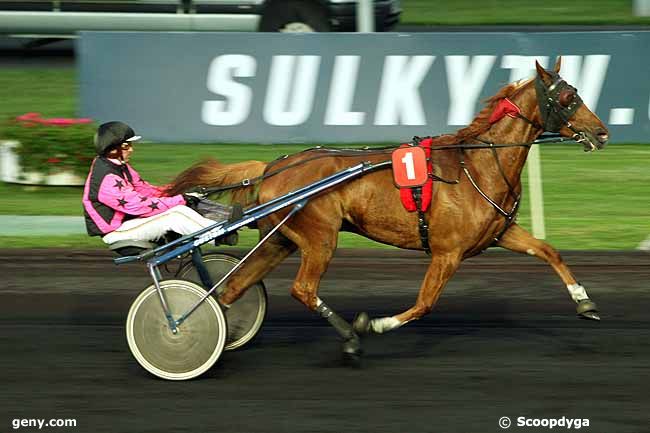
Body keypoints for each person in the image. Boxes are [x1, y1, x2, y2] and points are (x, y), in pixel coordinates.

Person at [82, 121, 235, 245]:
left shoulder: (120, 167)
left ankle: (220, 227)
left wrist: (179, 191)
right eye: (126, 146)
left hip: (129, 223)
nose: (131, 150)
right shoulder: (107, 178)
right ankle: (217, 235)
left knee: (180, 209)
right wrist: (181, 199)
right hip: (115, 231)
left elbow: (146, 190)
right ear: (113, 149)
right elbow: (138, 206)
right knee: (175, 217)